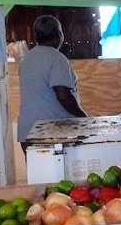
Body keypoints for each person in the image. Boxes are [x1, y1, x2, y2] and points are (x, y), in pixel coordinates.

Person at [17, 15, 87, 155]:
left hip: (27, 132)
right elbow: (63, 95)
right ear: (59, 34)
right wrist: (84, 118)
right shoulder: (57, 59)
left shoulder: (27, 59)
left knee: (39, 175)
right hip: (51, 133)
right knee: (58, 176)